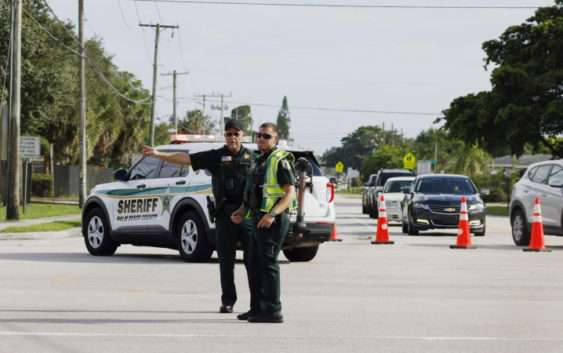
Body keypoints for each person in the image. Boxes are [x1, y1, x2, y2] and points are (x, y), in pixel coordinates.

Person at [142, 119, 258, 316]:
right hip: (225, 215)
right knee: (226, 261)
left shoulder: (253, 158)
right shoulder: (216, 156)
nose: (232, 137)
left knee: (252, 261)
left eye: (236, 134)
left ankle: (256, 304)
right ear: (225, 136)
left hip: (247, 214)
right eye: (228, 134)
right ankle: (228, 301)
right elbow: (187, 159)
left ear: (242, 136)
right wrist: (158, 154)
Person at [231, 122, 296, 323]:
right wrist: (242, 211)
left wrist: (272, 214)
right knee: (254, 263)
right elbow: (253, 192)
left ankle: (273, 310)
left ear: (275, 139)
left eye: (266, 136)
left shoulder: (279, 160)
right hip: (257, 219)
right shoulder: (260, 160)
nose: (261, 139)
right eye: (258, 135)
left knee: (268, 264)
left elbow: (289, 193)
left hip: (273, 221)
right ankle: (258, 307)